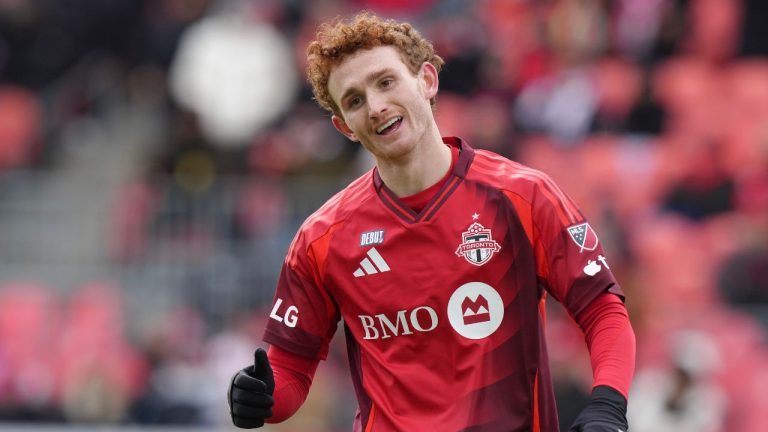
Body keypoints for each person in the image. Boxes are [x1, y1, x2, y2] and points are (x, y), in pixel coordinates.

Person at [228, 12, 635, 432]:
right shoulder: (322, 238)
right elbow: (290, 372)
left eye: (386, 82)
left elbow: (602, 310)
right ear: (344, 126)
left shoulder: (523, 197)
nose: (376, 106)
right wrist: (261, 396)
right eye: (354, 101)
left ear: (426, 80)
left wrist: (608, 403)